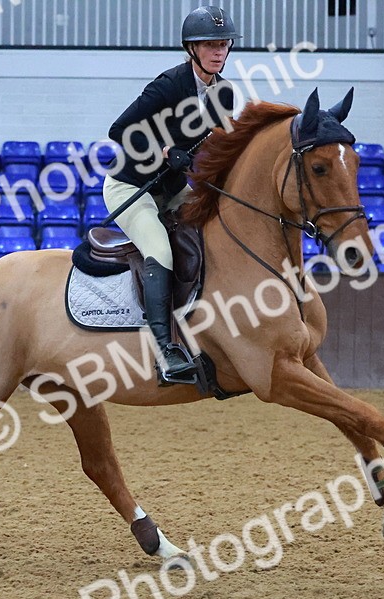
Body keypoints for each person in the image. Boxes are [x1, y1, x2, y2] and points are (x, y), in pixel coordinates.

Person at [104, 5, 241, 385]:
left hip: (173, 188)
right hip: (132, 187)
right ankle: (166, 352)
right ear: (191, 48)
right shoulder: (168, 85)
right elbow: (120, 130)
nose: (218, 51)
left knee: (218, 234)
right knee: (160, 251)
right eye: (209, 44)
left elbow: (219, 147)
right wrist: (164, 150)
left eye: (223, 44)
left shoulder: (224, 94)